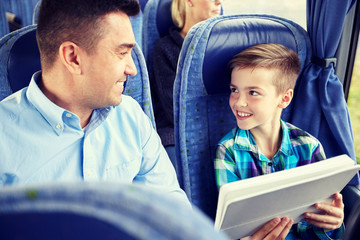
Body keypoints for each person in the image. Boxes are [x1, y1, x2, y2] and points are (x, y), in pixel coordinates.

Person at [0, 0, 189, 206]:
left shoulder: (131, 117)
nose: (132, 69)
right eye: (122, 53)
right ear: (73, 58)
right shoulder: (5, 140)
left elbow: (173, 210)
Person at [214, 43, 344, 239]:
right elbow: (232, 228)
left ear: (284, 98)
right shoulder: (227, 152)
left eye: (253, 92)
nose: (238, 102)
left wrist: (331, 224)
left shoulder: (309, 146)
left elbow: (317, 220)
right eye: (234, 90)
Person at [151, 0, 223, 151]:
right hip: (176, 132)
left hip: (219, 127)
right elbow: (174, 111)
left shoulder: (223, 44)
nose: (219, 2)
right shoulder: (165, 48)